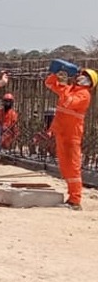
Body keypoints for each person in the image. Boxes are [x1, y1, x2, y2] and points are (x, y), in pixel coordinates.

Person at [45, 60, 95, 210]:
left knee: (72, 168)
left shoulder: (84, 95)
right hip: (62, 133)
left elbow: (67, 102)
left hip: (72, 135)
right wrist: (55, 74)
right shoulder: (71, 89)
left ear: (89, 82)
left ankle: (75, 200)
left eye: (84, 76)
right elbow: (49, 84)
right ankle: (71, 198)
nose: (80, 76)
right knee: (65, 167)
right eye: (80, 74)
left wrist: (65, 84)